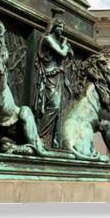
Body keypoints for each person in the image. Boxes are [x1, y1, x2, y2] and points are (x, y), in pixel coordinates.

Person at [34, 14, 73, 147]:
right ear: (53, 27)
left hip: (58, 76)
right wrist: (65, 44)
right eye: (59, 27)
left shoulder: (55, 41)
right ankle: (40, 135)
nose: (61, 29)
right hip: (50, 76)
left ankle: (52, 140)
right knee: (54, 106)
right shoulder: (48, 39)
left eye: (62, 27)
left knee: (59, 108)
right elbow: (62, 53)